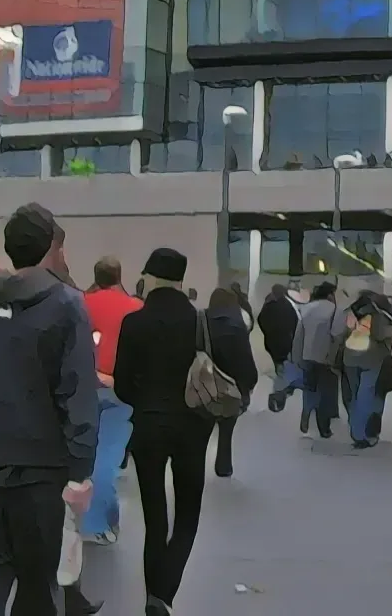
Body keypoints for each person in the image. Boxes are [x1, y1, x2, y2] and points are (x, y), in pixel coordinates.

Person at [0, 204, 97, 616]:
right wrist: (80, 474)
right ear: (51, 247)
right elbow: (77, 395)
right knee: (38, 591)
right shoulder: (66, 304)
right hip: (40, 478)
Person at [112, 249, 248, 615]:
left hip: (148, 429)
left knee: (155, 520)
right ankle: (163, 594)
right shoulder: (201, 322)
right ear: (181, 281)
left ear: (152, 279)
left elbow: (122, 385)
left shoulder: (134, 323)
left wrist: (146, 401)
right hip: (193, 427)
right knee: (188, 514)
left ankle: (151, 596)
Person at [81, 255, 142, 544]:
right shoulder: (135, 308)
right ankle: (94, 524)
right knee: (107, 459)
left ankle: (109, 515)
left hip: (83, 387)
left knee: (90, 456)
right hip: (122, 390)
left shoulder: (79, 303)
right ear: (119, 276)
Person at [206, 287, 259, 478]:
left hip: (204, 385)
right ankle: (224, 466)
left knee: (201, 430)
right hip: (231, 387)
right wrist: (248, 387)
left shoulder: (201, 321)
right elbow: (245, 362)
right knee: (226, 429)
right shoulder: (237, 326)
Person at [341, 290, 392, 449]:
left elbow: (342, 332)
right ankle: (362, 434)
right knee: (365, 394)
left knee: (353, 394)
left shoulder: (352, 312)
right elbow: (379, 335)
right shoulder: (379, 315)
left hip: (350, 357)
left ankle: (356, 430)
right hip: (371, 359)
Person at [292, 280, 346, 438]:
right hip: (325, 357)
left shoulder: (306, 309)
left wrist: (297, 357)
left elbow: (298, 335)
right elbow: (337, 335)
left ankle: (306, 415)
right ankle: (324, 428)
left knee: (310, 388)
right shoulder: (336, 311)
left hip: (307, 355)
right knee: (325, 392)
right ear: (330, 295)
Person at [256, 282, 300, 375]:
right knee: (285, 359)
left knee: (277, 359)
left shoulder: (268, 304)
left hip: (272, 338)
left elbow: (260, 319)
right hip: (286, 338)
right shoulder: (288, 305)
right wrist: (291, 333)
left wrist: (267, 332)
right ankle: (284, 377)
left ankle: (279, 373)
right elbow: (295, 320)